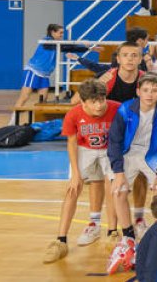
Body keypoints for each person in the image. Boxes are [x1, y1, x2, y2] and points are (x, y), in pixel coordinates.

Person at [106, 73, 157, 274]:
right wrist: (118, 171)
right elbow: (114, 142)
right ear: (138, 91)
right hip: (128, 153)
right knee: (118, 191)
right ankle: (128, 236)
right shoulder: (126, 108)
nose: (150, 94)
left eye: (154, 90)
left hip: (153, 154)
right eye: (145, 90)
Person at [44, 79, 118, 264]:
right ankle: (60, 240)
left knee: (112, 187)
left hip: (110, 149)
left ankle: (113, 232)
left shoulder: (117, 108)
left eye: (102, 100)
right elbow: (71, 143)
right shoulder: (73, 114)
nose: (100, 105)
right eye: (94, 101)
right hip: (84, 149)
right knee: (72, 190)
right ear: (83, 102)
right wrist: (76, 174)